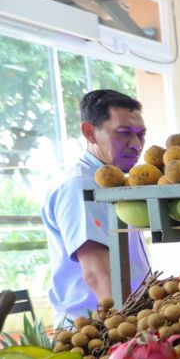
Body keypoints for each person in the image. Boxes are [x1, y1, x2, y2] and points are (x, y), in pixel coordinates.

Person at [41, 89, 151, 323]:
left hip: (127, 316)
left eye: (141, 135)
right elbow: (96, 272)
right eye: (124, 134)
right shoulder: (81, 185)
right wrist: (128, 328)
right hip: (95, 328)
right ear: (89, 132)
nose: (136, 144)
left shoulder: (117, 183)